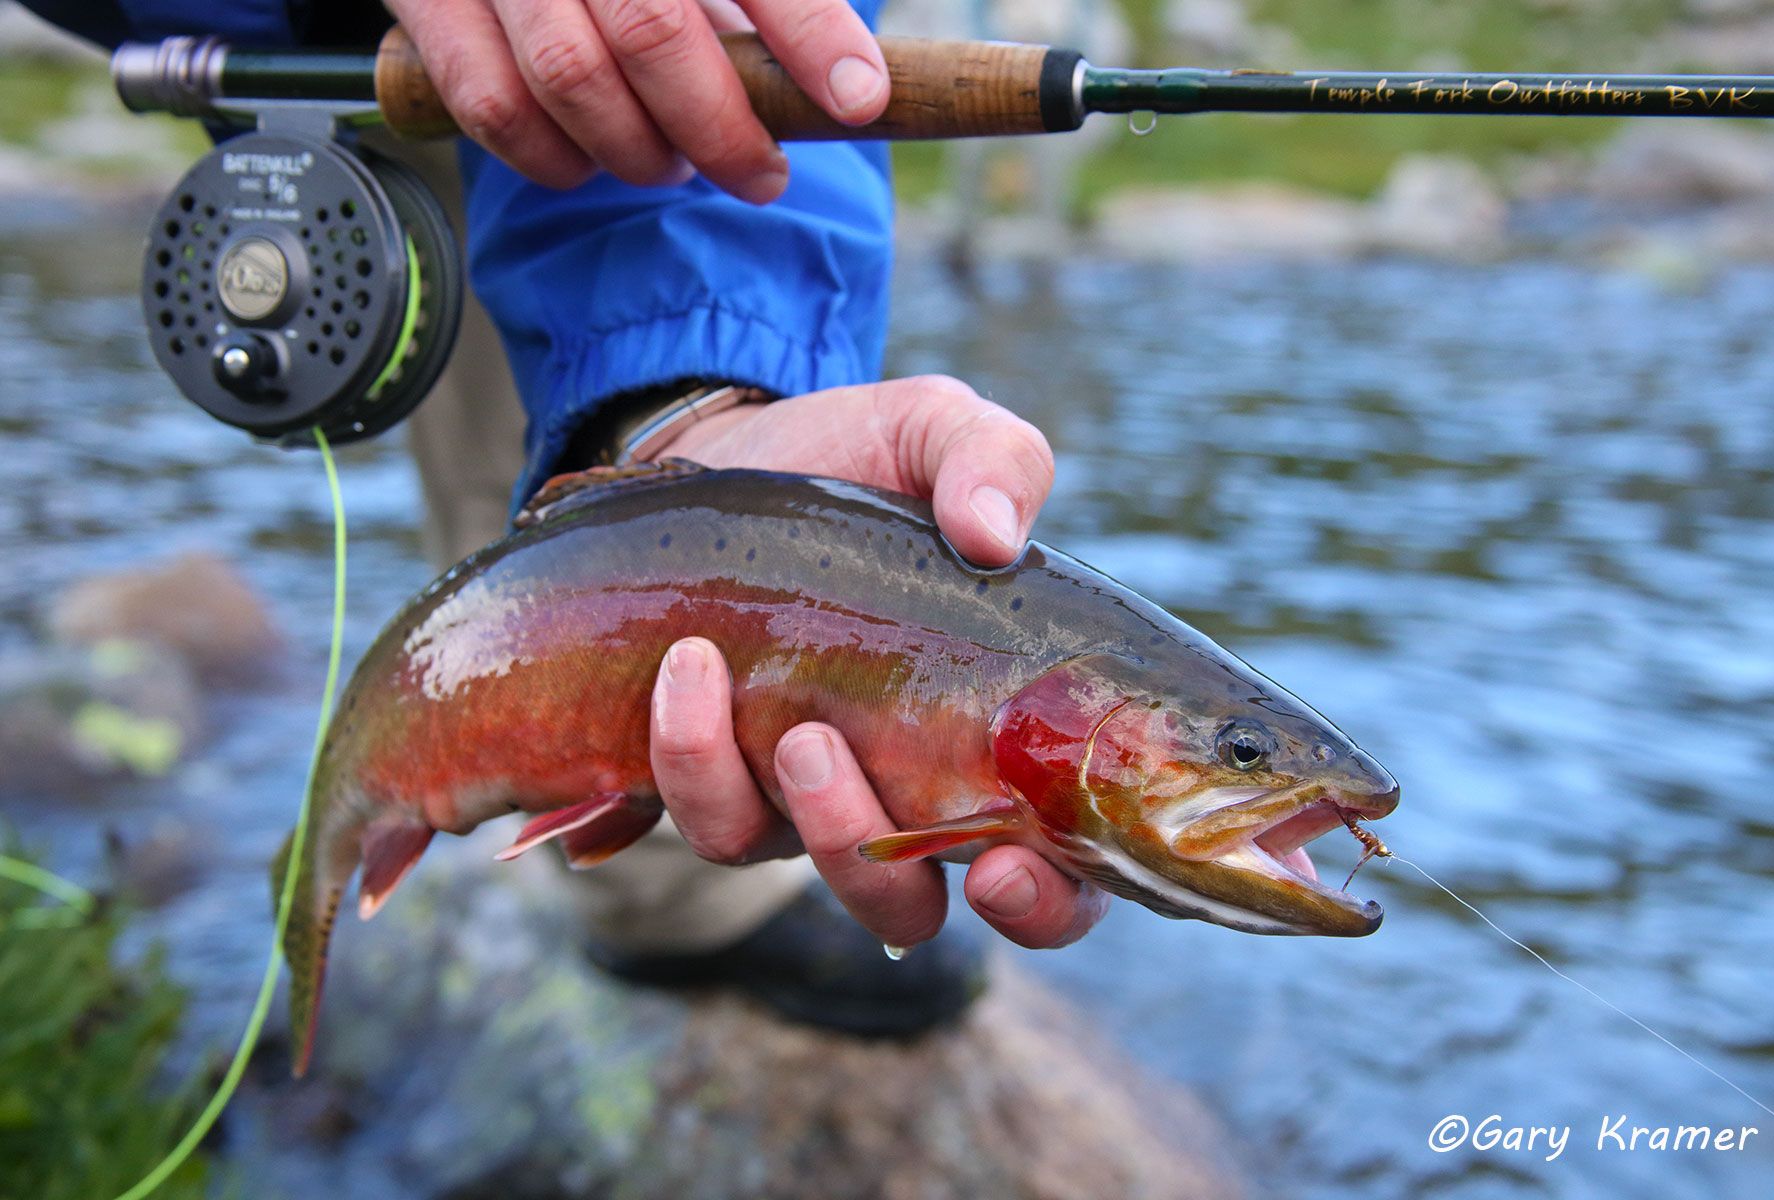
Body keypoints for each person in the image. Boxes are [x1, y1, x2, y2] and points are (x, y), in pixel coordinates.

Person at [31, 0, 1106, 1033]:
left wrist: (685, 398)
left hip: (637, 157)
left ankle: (672, 892)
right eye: (1238, 754)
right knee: (535, 549)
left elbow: (717, 68)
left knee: (612, 492)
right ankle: (618, 885)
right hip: (388, 82)